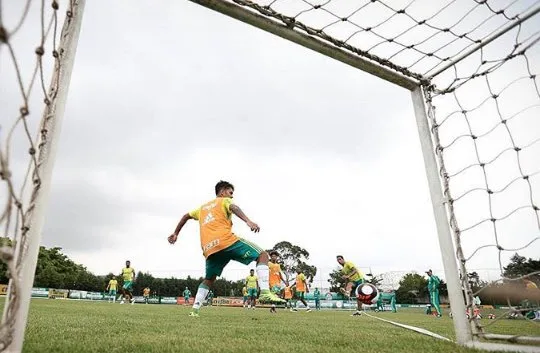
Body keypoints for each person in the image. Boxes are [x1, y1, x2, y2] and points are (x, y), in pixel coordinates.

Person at [168, 180, 284, 317]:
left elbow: (185, 216)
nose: (231, 196)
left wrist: (176, 233)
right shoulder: (223, 201)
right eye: (230, 192)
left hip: (209, 248)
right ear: (222, 191)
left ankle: (195, 310)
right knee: (263, 255)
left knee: (209, 279)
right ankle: (265, 292)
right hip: (226, 241)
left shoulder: (201, 208)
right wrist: (248, 221)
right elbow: (234, 207)